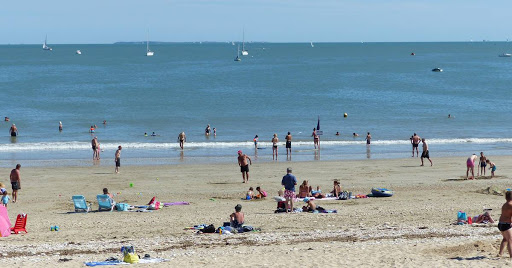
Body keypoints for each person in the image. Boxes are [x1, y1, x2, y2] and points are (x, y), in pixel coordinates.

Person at [498, 191, 512, 258]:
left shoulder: (505, 204)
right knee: (510, 240)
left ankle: (500, 253)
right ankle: (511, 256)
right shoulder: (510, 205)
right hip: (506, 224)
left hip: (501, 223)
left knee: (505, 239)